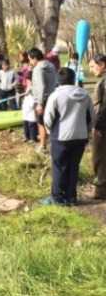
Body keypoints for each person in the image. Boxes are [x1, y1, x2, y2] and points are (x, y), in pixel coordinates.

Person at [43, 68, 94, 205]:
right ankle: (71, 197)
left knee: (59, 166)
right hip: (80, 136)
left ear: (58, 81)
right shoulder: (85, 94)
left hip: (61, 136)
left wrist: (49, 131)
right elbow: (91, 117)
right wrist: (86, 131)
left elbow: (48, 118)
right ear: (73, 79)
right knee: (74, 166)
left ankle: (57, 198)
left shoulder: (56, 95)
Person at [28, 47, 57, 153]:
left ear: (35, 58)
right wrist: (31, 89)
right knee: (52, 121)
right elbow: (52, 82)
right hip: (53, 97)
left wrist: (39, 103)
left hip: (43, 99)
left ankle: (43, 146)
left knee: (41, 123)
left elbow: (41, 86)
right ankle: (53, 144)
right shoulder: (51, 65)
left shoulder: (38, 69)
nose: (30, 62)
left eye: (30, 59)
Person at [91, 54, 106, 199]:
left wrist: (97, 126)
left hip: (102, 126)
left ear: (102, 64)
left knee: (99, 157)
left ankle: (101, 190)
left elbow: (102, 108)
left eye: (93, 66)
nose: (91, 70)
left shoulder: (103, 82)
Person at [22, 71, 38, 143]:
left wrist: (31, 92)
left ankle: (33, 138)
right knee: (25, 122)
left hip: (32, 107)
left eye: (30, 80)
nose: (28, 82)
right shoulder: (28, 87)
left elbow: (36, 97)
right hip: (26, 106)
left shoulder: (36, 87)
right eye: (28, 80)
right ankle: (26, 136)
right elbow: (25, 95)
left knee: (32, 123)